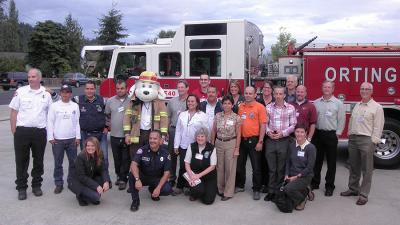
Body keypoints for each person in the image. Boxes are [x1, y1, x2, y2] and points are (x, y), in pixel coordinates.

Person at [9, 68, 53, 200]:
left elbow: (51, 115)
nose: (31, 79)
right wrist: (14, 131)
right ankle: (22, 188)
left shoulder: (47, 94)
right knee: (21, 161)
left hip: (39, 132)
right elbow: (14, 112)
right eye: (29, 77)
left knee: (38, 161)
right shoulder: (20, 92)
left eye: (33, 76)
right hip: (22, 132)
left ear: (39, 78)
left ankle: (36, 185)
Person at [340, 82, 384, 205]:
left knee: (367, 169)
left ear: (371, 91)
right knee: (353, 166)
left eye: (367, 89)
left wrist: (373, 141)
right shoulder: (358, 105)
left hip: (366, 140)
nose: (364, 91)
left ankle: (364, 194)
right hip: (353, 139)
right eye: (362, 89)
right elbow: (352, 121)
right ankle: (353, 189)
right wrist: (349, 134)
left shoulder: (377, 107)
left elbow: (378, 126)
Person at [311, 81, 345, 196]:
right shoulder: (316, 103)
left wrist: (338, 133)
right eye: (324, 86)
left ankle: (329, 186)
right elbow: (313, 120)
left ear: (333, 89)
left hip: (331, 135)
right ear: (322, 88)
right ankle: (315, 182)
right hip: (318, 134)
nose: (326, 89)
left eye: (329, 87)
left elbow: (341, 120)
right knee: (317, 161)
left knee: (331, 163)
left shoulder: (338, 103)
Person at [264, 86, 297, 201]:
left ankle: (279, 191)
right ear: (273, 95)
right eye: (276, 94)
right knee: (271, 168)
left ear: (284, 95)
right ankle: (271, 191)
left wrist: (282, 133)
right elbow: (265, 124)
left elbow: (293, 125)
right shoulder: (268, 108)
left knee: (281, 168)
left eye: (280, 94)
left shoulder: (291, 108)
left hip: (284, 141)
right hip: (271, 141)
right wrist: (268, 132)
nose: (278, 96)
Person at [73, 80, 110, 181]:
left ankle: (106, 179)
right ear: (84, 89)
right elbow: (64, 100)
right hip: (85, 134)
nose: (89, 91)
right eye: (87, 89)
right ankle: (89, 178)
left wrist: (107, 127)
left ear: (95, 89)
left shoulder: (103, 100)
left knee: (104, 157)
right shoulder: (77, 99)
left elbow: (108, 113)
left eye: (91, 89)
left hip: (100, 134)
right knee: (86, 158)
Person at [47, 84, 80, 194]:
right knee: (58, 163)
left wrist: (78, 137)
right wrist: (50, 137)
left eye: (67, 92)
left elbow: (77, 123)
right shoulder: (54, 106)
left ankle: (71, 181)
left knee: (73, 163)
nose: (65, 94)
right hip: (58, 140)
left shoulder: (75, 106)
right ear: (60, 93)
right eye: (63, 92)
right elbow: (50, 122)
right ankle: (58, 183)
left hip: (72, 139)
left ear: (70, 94)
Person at [235, 86, 267, 200]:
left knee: (256, 167)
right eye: (246, 93)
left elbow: (263, 125)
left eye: (250, 93)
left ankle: (256, 189)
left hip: (254, 140)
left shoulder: (260, 107)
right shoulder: (241, 106)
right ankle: (240, 185)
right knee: (240, 165)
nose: (248, 95)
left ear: (255, 95)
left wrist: (260, 141)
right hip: (242, 140)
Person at [128, 130, 172, 212]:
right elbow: (133, 164)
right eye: (150, 138)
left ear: (160, 140)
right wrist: (137, 179)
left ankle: (153, 190)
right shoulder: (142, 150)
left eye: (155, 139)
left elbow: (167, 173)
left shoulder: (165, 153)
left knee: (167, 189)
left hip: (156, 178)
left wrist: (158, 188)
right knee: (132, 175)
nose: (152, 140)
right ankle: (135, 201)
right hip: (143, 177)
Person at [173, 94, 208, 194]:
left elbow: (206, 131)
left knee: (194, 166)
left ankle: (190, 186)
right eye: (188, 101)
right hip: (184, 145)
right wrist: (176, 145)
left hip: (196, 146)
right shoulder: (182, 114)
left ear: (197, 103)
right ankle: (180, 186)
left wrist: (205, 145)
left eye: (193, 101)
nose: (190, 103)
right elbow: (178, 131)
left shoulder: (202, 115)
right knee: (183, 166)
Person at [211, 95, 241, 201]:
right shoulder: (218, 115)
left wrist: (237, 148)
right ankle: (220, 189)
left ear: (232, 105)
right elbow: (214, 131)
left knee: (230, 168)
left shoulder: (236, 117)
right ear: (222, 104)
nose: (226, 105)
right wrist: (212, 144)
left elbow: (238, 134)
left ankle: (228, 192)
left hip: (231, 143)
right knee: (219, 168)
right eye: (224, 103)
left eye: (229, 103)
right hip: (219, 143)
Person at [68, 137, 111, 206]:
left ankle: (89, 194)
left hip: (89, 176)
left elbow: (104, 169)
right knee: (96, 197)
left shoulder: (100, 154)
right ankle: (80, 196)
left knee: (106, 183)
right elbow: (81, 177)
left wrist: (106, 181)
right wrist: (96, 186)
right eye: (88, 146)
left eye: (93, 146)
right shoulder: (81, 157)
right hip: (76, 181)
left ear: (97, 146)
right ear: (85, 146)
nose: (90, 148)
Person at [105, 80, 131, 190]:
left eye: (122, 88)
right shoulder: (110, 101)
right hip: (114, 135)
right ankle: (119, 175)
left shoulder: (132, 101)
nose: (120, 90)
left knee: (126, 159)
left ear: (126, 89)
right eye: (118, 88)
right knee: (117, 159)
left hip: (127, 136)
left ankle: (123, 179)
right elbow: (106, 115)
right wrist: (107, 126)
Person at [284, 124, 316, 211]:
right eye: (297, 131)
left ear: (306, 133)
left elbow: (309, 167)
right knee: (281, 190)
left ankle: (302, 199)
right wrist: (286, 174)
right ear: (294, 132)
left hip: (304, 176)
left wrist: (296, 177)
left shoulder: (311, 148)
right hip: (292, 174)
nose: (299, 134)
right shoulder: (292, 145)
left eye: (302, 132)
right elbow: (288, 161)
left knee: (287, 189)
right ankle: (306, 190)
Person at [185, 127, 217, 204]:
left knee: (208, 201)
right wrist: (191, 175)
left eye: (202, 136)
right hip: (194, 175)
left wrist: (199, 175)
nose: (200, 138)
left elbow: (212, 166)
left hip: (209, 176)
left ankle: (204, 190)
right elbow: (187, 163)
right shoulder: (191, 146)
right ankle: (194, 193)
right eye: (198, 136)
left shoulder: (212, 148)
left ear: (206, 137)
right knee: (198, 190)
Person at [167, 80, 189, 187]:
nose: (180, 89)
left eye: (182, 87)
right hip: (173, 130)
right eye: (178, 87)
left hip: (185, 132)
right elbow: (168, 117)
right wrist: (166, 131)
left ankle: (184, 179)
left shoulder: (190, 101)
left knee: (184, 156)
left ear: (187, 88)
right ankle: (171, 178)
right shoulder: (172, 101)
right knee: (172, 155)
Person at [256, 80, 275, 193]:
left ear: (272, 90)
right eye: (265, 88)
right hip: (259, 135)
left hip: (272, 135)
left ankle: (270, 184)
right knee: (261, 160)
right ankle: (262, 183)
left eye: (269, 88)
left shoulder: (275, 101)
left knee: (270, 160)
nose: (266, 90)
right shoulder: (258, 101)